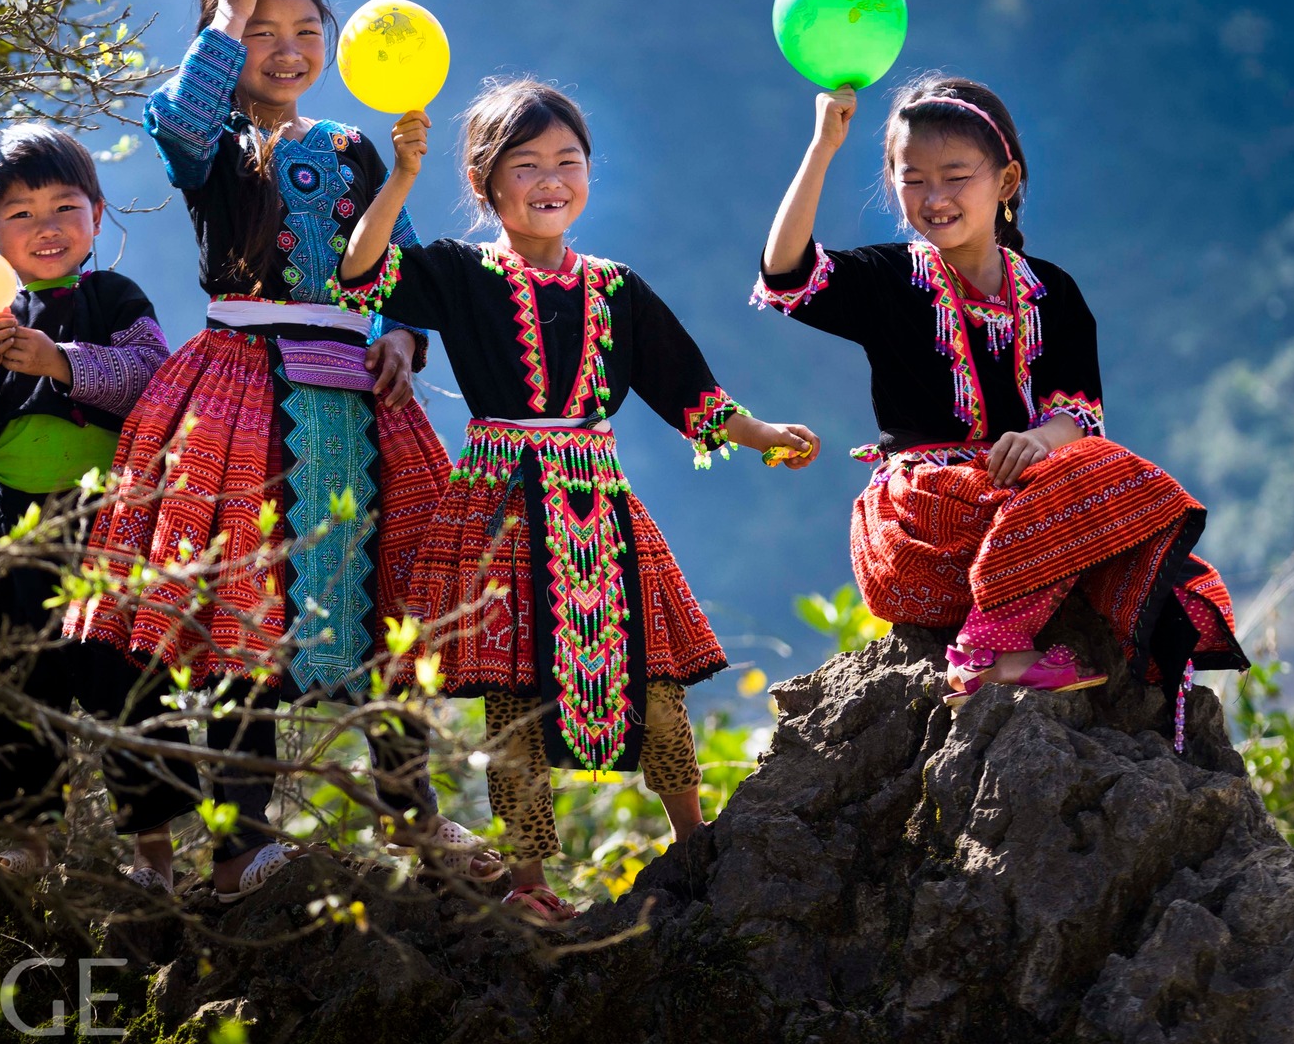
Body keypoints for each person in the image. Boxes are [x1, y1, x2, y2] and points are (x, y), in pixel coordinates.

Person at [64, 0, 491, 904]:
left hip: (360, 400)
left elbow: (405, 263)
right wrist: (228, 11)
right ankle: (240, 847)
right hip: (237, 396)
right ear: (224, 37)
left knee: (393, 606)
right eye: (261, 29)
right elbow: (175, 119)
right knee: (238, 611)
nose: (287, 48)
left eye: (305, 30)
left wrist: (407, 338)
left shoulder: (352, 150)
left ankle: (414, 813)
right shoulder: (208, 145)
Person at [335, 78, 820, 922]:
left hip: (598, 503)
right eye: (527, 164)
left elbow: (690, 392)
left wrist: (766, 432)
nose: (551, 177)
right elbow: (361, 273)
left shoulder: (618, 288)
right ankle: (528, 884)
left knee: (656, 679)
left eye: (568, 159)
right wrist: (402, 178)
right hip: (499, 505)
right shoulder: (456, 271)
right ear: (487, 182)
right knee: (516, 697)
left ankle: (694, 839)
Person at [753, 77, 1246, 729]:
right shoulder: (889, 279)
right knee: (1099, 482)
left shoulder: (1053, 293)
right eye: (913, 179)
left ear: (1006, 179)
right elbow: (786, 273)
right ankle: (984, 653)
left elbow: (1081, 419)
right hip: (925, 529)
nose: (935, 198)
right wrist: (823, 146)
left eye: (956, 175)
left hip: (1025, 512)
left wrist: (1043, 441)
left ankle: (1063, 654)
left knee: (1148, 531)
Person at [0, 122, 189, 886]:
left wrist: (63, 362)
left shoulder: (113, 297)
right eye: (21, 214)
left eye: (64, 207)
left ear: (97, 215)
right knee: (8, 680)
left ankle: (154, 853)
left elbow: (152, 378)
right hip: (13, 533)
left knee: (130, 685)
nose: (46, 228)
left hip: (111, 530)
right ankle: (23, 846)